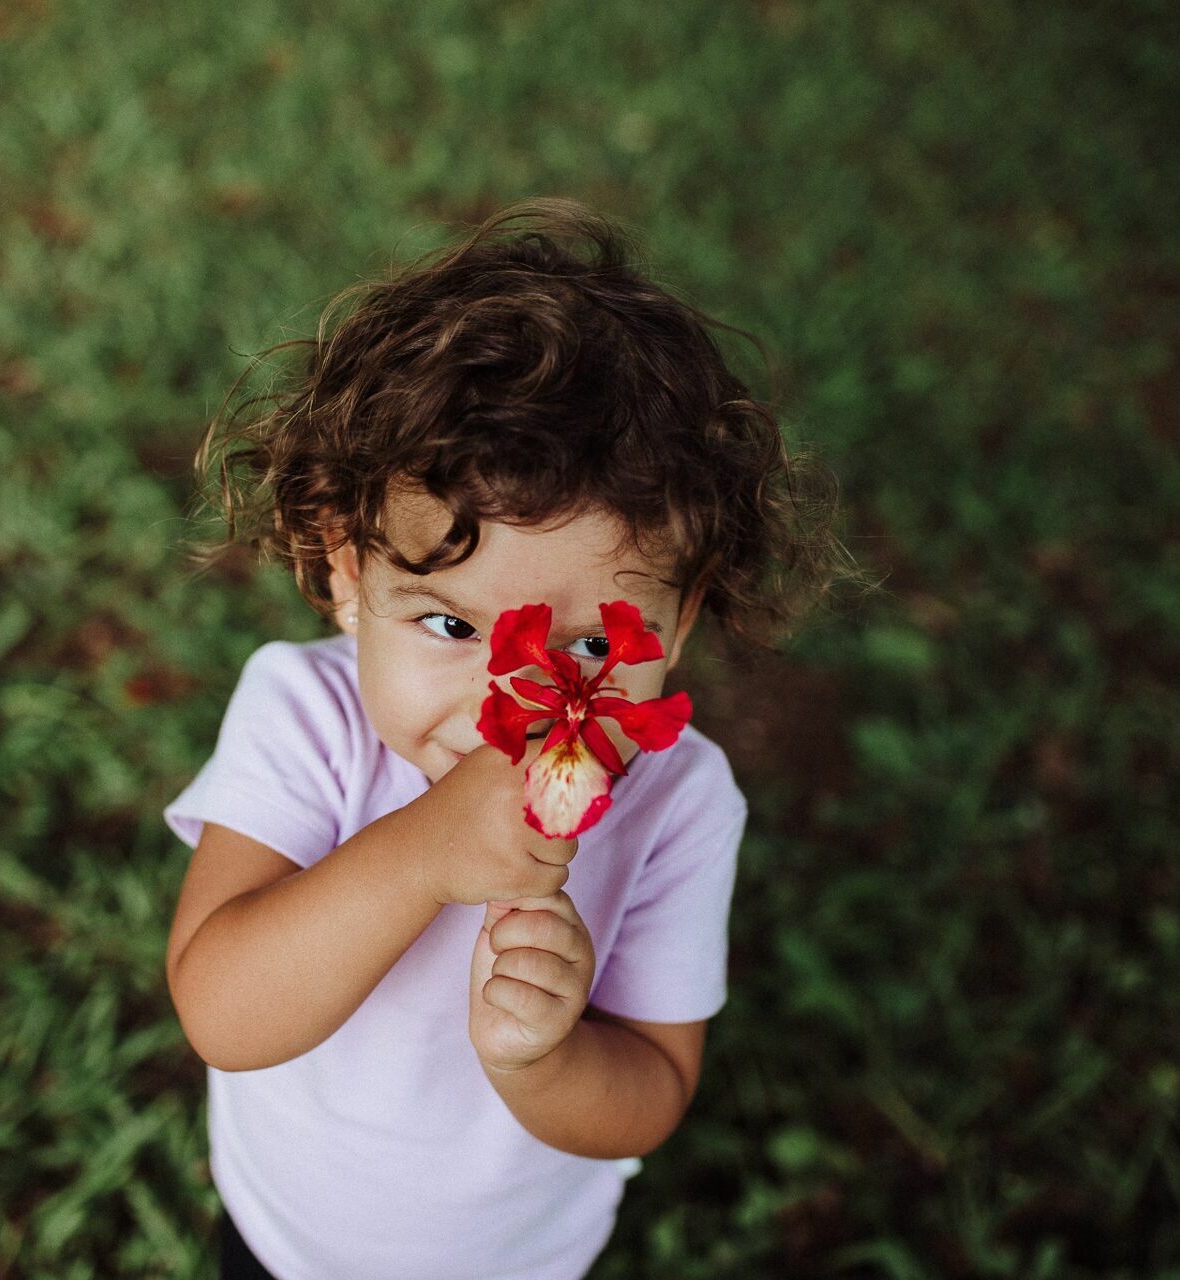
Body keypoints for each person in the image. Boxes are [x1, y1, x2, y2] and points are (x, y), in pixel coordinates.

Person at [164, 198, 863, 1279]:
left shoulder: (680, 801)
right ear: (349, 578)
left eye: (587, 648)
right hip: (285, 1239)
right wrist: (421, 850)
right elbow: (221, 1007)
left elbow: (651, 1091)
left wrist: (542, 1057)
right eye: (450, 623)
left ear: (675, 625)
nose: (515, 705)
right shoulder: (301, 717)